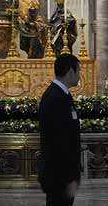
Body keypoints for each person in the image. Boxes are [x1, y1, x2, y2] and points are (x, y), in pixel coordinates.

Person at [38, 53, 82, 205]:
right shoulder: (54, 97)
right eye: (78, 71)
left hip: (62, 174)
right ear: (70, 72)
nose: (79, 76)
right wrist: (70, 177)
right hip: (58, 175)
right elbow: (59, 141)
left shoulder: (63, 95)